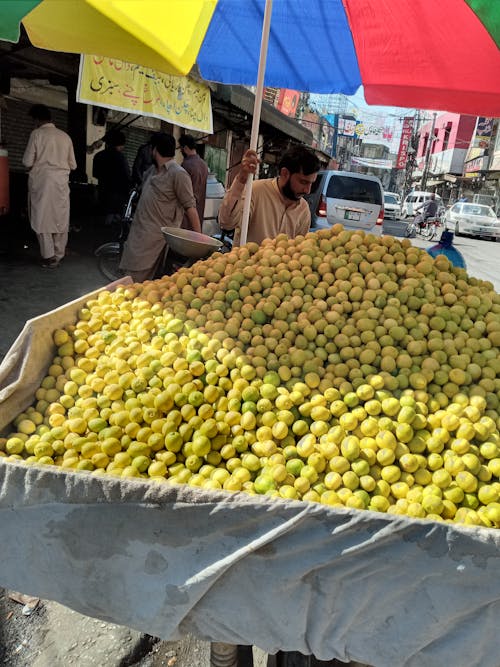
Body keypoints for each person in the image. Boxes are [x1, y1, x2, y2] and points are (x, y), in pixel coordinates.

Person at [120, 132, 201, 283]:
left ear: (154, 150)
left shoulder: (178, 174)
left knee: (135, 285)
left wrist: (200, 244)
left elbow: (190, 208)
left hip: (154, 243)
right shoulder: (150, 171)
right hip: (137, 236)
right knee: (127, 280)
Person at [218, 145, 320, 245]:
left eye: (311, 183)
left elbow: (300, 250)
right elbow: (226, 222)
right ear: (285, 173)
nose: (307, 190)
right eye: (303, 182)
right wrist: (241, 179)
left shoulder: (303, 210)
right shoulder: (255, 191)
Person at [22, 104, 76, 268]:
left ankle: (49, 256)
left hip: (42, 182)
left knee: (41, 218)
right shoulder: (65, 136)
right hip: (61, 183)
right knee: (60, 218)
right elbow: (73, 165)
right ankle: (59, 254)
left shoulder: (37, 134)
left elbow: (27, 162)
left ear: (36, 120)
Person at [92, 130, 131, 226]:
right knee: (112, 227)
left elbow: (95, 174)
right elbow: (127, 177)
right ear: (120, 144)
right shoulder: (121, 158)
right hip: (117, 198)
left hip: (102, 194)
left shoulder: (98, 156)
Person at [178, 134, 209, 227]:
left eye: (181, 148)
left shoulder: (186, 165)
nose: (180, 151)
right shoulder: (204, 165)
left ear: (186, 148)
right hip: (198, 216)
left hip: (185, 218)